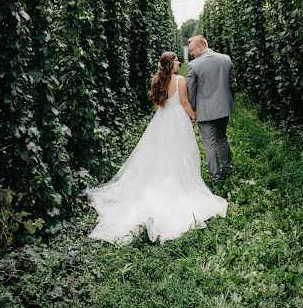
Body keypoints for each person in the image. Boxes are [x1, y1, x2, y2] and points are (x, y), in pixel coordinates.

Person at [84, 51, 227, 245]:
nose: (179, 62)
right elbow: (184, 102)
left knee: (160, 153)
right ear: (171, 63)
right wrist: (193, 117)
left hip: (162, 119)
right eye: (176, 60)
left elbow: (158, 104)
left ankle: (160, 179)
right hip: (177, 121)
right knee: (181, 153)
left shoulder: (156, 80)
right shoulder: (180, 80)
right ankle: (176, 182)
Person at [187, 35, 236, 182]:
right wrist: (228, 101)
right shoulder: (226, 59)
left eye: (192, 51)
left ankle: (215, 177)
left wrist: (193, 111)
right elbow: (233, 84)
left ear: (201, 47)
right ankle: (227, 168)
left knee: (209, 144)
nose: (191, 54)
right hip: (223, 108)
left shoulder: (194, 65)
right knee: (222, 138)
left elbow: (191, 91)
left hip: (205, 111)